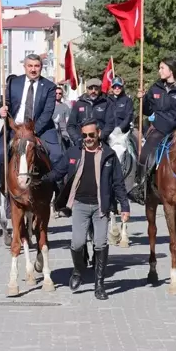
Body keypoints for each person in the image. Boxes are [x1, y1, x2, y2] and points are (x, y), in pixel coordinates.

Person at [53, 119, 130, 299]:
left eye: (91, 135)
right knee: (78, 243)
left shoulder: (109, 155)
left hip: (100, 206)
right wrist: (39, 179)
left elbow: (118, 183)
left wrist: (124, 206)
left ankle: (99, 284)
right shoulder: (74, 152)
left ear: (99, 134)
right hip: (79, 205)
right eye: (84, 135)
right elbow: (58, 172)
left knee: (100, 243)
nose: (87, 138)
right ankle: (78, 271)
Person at [0, 55, 64, 210]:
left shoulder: (49, 86)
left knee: (57, 155)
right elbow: (8, 103)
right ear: (24, 67)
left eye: (36, 66)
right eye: (30, 66)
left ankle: (60, 194)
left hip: (41, 128)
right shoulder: (13, 83)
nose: (33, 69)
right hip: (15, 127)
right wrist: (3, 110)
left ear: (41, 67)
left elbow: (47, 112)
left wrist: (33, 131)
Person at [127, 57, 176, 205]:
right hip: (159, 129)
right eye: (159, 68)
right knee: (144, 155)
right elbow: (147, 110)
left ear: (171, 70)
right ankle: (142, 187)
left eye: (162, 68)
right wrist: (143, 99)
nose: (159, 71)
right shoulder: (156, 88)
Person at [67, 78, 114, 147]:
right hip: (82, 142)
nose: (93, 91)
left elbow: (110, 124)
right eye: (90, 88)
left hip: (101, 142)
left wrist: (101, 136)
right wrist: (77, 139)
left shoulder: (107, 103)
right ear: (87, 89)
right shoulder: (79, 103)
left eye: (96, 89)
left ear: (100, 89)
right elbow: (70, 125)